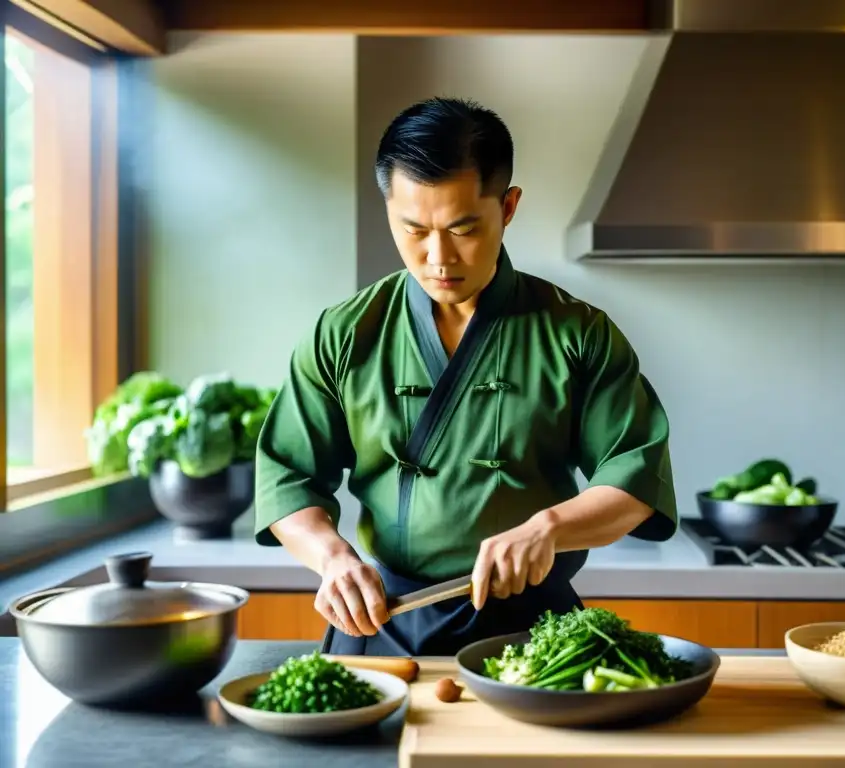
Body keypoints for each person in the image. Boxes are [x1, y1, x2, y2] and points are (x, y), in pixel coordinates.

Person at [253, 96, 678, 657]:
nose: (437, 258)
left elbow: (635, 480)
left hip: (535, 634)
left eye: (463, 228)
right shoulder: (343, 333)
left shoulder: (578, 333)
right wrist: (332, 558)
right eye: (413, 230)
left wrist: (547, 528)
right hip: (384, 623)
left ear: (509, 206)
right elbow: (287, 475)